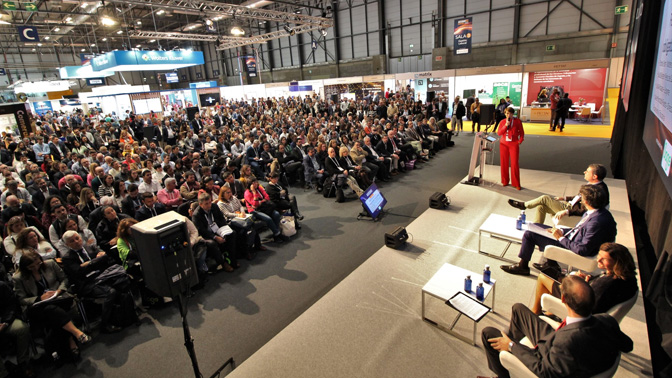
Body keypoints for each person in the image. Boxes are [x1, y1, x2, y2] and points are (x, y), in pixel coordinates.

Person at [482, 276, 633, 378]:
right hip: (556, 341)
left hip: (547, 355)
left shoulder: (566, 343)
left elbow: (544, 370)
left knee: (488, 333)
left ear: (563, 299)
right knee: (518, 309)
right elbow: (628, 345)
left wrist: (511, 346)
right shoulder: (607, 320)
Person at [501, 185, 617, 276]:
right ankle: (551, 265)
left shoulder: (596, 222)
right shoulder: (600, 213)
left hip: (571, 245)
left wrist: (560, 237)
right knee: (537, 227)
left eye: (582, 198)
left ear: (586, 201)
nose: (580, 201)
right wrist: (562, 230)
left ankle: (523, 267)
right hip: (571, 236)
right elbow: (581, 231)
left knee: (529, 234)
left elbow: (582, 250)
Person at [13, 251, 90, 362]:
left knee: (54, 313)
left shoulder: (50, 264)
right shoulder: (18, 278)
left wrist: (59, 290)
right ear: (25, 267)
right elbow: (21, 299)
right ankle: (74, 337)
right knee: (51, 310)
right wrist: (40, 298)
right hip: (37, 307)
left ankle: (57, 348)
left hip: (58, 298)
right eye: (31, 267)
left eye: (38, 264)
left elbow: (64, 279)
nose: (35, 268)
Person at [531, 242, 638, 315]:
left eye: (604, 259)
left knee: (543, 277)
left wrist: (580, 284)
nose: (598, 260)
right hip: (587, 303)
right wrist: (586, 281)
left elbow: (587, 306)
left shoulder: (609, 283)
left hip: (577, 309)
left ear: (617, 262)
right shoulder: (626, 278)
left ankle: (536, 311)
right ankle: (550, 313)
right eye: (598, 256)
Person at [61, 230, 127, 333]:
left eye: (77, 238)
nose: (76, 241)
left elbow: (106, 258)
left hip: (102, 275)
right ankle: (105, 324)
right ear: (67, 244)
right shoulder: (67, 258)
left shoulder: (90, 247)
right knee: (110, 292)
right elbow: (80, 272)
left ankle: (127, 315)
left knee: (124, 279)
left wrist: (89, 263)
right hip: (86, 284)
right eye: (72, 241)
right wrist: (95, 261)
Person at [508, 164, 609, 224]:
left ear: (595, 176)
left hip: (572, 210)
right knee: (541, 207)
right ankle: (536, 229)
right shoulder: (593, 184)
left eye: (587, 172)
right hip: (570, 205)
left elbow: (586, 210)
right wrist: (564, 198)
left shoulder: (598, 191)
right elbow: (579, 197)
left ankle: (524, 205)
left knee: (544, 198)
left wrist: (567, 212)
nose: (584, 172)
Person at [191, 192, 237, 269]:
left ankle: (233, 258)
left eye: (210, 202)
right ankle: (222, 263)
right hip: (207, 235)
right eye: (206, 204)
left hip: (218, 230)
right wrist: (215, 237)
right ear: (200, 204)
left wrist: (223, 230)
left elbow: (221, 218)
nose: (209, 205)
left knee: (232, 233)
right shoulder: (196, 215)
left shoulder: (214, 206)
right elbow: (201, 231)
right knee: (212, 244)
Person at [0, 281, 35, 378]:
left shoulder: (1, 285)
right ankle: (3, 373)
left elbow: (11, 305)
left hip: (4, 319)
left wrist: (5, 322)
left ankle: (23, 362)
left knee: (21, 328)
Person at [243, 178, 287, 243]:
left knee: (276, 214)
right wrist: (254, 192)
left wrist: (261, 201)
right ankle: (278, 234)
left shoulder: (259, 188)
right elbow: (255, 204)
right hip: (254, 211)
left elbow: (267, 197)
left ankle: (276, 234)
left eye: (256, 182)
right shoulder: (247, 193)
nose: (256, 184)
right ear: (250, 185)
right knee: (268, 219)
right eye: (253, 183)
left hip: (264, 208)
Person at [497, 107, 524, 190]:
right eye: (507, 113)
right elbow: (499, 133)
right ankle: (505, 181)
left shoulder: (517, 121)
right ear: (505, 114)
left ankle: (516, 183)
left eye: (510, 113)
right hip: (503, 144)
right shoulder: (502, 122)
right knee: (504, 163)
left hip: (514, 144)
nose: (509, 115)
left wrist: (520, 141)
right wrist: (506, 126)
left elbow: (522, 133)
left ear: (513, 114)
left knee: (514, 163)